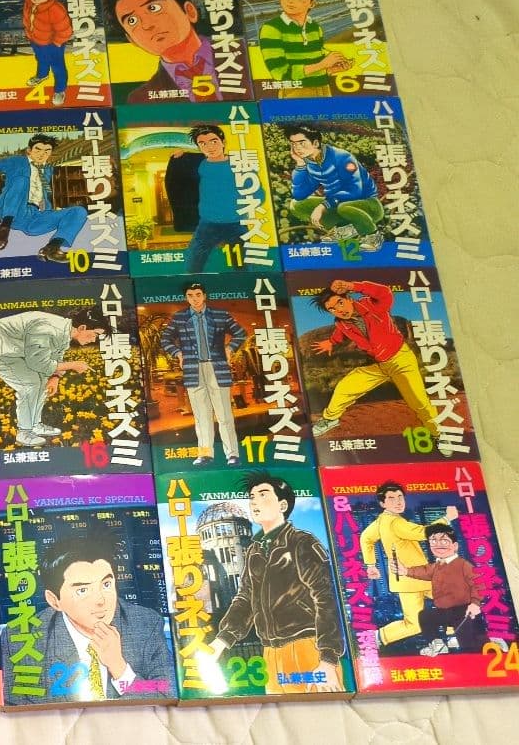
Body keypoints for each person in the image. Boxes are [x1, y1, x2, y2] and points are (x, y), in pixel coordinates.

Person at [205, 471, 346, 693]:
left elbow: (326, 598)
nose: (255, 502)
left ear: (282, 505)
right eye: (252, 497)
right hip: (270, 653)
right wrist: (221, 640)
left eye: (263, 495)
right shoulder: (254, 550)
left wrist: (328, 659)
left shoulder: (302, 543)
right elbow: (246, 598)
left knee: (318, 710)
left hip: (307, 647)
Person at [7, 535, 173, 703]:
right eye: (83, 590)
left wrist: (119, 668)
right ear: (54, 601)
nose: (100, 600)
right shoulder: (19, 640)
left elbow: (165, 691)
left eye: (106, 585)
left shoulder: (146, 624)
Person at [310, 279, 447, 453]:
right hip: (378, 364)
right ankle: (330, 419)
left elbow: (385, 292)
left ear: (349, 298)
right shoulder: (341, 323)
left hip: (400, 360)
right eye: (332, 309)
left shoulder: (372, 306)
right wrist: (331, 342)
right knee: (345, 387)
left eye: (340, 302)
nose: (339, 310)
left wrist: (353, 286)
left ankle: (438, 434)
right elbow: (340, 333)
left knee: (419, 401)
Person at [0, 305, 108, 448]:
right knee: (30, 383)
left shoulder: (64, 331)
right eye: (95, 334)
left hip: (12, 349)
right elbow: (38, 363)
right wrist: (73, 365)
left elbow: (55, 356)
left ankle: (35, 425)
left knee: (42, 382)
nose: (94, 340)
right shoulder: (47, 329)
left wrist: (54, 378)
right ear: (82, 328)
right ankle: (24, 432)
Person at [159, 281, 247, 466]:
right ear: (186, 297)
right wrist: (178, 353)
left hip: (217, 368)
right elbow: (165, 338)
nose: (195, 299)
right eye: (190, 295)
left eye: (198, 294)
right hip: (193, 370)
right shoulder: (179, 317)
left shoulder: (220, 315)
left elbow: (240, 333)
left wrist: (230, 348)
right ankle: (205, 454)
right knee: (201, 416)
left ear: (204, 295)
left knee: (224, 415)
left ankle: (232, 454)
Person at [361, 481, 459, 647]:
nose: (398, 502)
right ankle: (453, 635)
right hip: (413, 576)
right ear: (382, 503)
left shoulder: (381, 521)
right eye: (391, 498)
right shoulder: (395, 522)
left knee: (443, 604)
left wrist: (371, 564)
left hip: (409, 578)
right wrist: (447, 518)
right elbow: (423, 533)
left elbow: (365, 538)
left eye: (400, 497)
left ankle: (376, 638)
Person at [101, 0, 219, 103]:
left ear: (190, 11)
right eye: (132, 20)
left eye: (153, 8)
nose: (147, 25)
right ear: (132, 40)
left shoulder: (236, 55)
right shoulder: (140, 100)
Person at [0, 133, 88, 264]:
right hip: (16, 212)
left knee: (79, 211)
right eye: (38, 149)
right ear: (29, 150)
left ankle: (51, 248)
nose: (42, 154)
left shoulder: (48, 169)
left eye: (47, 151)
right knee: (22, 181)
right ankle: (4, 228)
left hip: (37, 217)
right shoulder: (16, 162)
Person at [283, 124, 385, 251]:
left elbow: (354, 191)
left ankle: (373, 236)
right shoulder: (310, 163)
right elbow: (299, 194)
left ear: (315, 143)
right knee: (297, 204)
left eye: (301, 143)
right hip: (338, 204)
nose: (297, 148)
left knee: (344, 207)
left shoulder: (342, 157)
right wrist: (300, 166)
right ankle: (347, 228)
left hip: (368, 206)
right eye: (293, 144)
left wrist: (323, 206)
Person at [394, 523, 490, 656]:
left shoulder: (463, 565)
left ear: (455, 546)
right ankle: (437, 644)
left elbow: (478, 584)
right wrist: (406, 571)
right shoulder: (436, 566)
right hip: (444, 611)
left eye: (444, 541)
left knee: (469, 645)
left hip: (464, 610)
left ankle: (483, 648)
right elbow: (424, 571)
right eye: (433, 541)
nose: (438, 545)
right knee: (426, 616)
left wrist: (475, 603)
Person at [164, 125, 243, 273]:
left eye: (214, 141)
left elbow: (257, 192)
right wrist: (182, 156)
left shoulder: (238, 163)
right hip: (207, 224)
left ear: (223, 142)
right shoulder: (198, 163)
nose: (209, 147)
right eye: (203, 143)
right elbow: (175, 185)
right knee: (193, 267)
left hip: (234, 222)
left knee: (242, 265)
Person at [258, 0, 352, 98]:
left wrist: (331, 69)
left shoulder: (315, 27)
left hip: (324, 89)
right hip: (294, 92)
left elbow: (315, 64)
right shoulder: (271, 28)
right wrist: (323, 64)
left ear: (312, 4)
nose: (290, 0)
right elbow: (279, 73)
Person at [22, 0, 73, 108]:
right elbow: (27, 18)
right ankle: (42, 75)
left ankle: (59, 91)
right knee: (41, 59)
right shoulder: (28, 1)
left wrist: (55, 44)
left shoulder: (56, 9)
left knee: (58, 67)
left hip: (52, 44)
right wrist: (30, 35)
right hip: (36, 40)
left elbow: (65, 31)